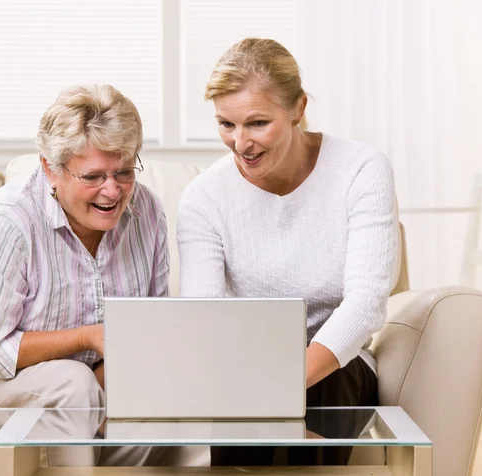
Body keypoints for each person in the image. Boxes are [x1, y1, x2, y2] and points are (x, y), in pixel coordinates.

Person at [0, 84, 169, 467]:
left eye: (124, 172)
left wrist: (111, 373)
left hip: (80, 376)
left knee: (160, 391)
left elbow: (153, 327)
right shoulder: (7, 223)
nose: (113, 191)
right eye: (93, 176)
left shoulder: (146, 212)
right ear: (51, 168)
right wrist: (86, 338)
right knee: (72, 385)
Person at [177, 38, 399, 466]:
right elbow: (202, 314)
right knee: (233, 393)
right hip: (246, 368)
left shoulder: (360, 169)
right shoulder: (203, 198)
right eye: (226, 124)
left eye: (258, 123)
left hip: (336, 365)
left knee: (322, 383)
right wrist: (249, 382)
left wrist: (285, 380)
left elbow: (367, 302)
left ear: (297, 108)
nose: (240, 143)